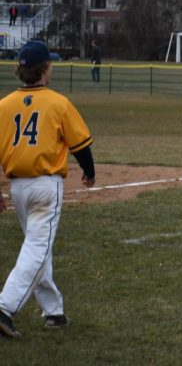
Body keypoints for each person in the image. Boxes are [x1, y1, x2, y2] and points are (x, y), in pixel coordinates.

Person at [0, 40, 96, 338]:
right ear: (45, 69)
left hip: (18, 187)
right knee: (37, 249)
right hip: (45, 187)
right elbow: (81, 144)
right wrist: (89, 173)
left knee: (39, 246)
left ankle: (53, 311)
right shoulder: (57, 102)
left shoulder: (3, 105)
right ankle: (5, 307)